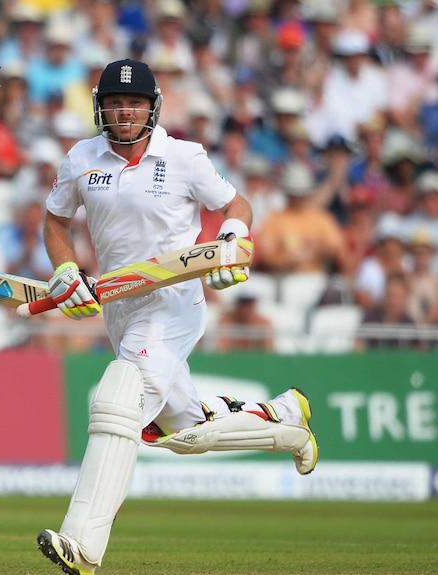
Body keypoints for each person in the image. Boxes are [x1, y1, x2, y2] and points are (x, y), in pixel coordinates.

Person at [34, 59, 319, 575]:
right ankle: (285, 421)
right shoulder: (81, 158)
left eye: (135, 103)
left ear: (153, 107)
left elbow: (239, 205)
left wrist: (232, 238)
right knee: (183, 431)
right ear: (101, 107)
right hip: (117, 303)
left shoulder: (184, 156)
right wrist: (65, 267)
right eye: (115, 103)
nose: (124, 113)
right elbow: (55, 221)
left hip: (173, 300)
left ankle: (83, 543)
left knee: (119, 395)